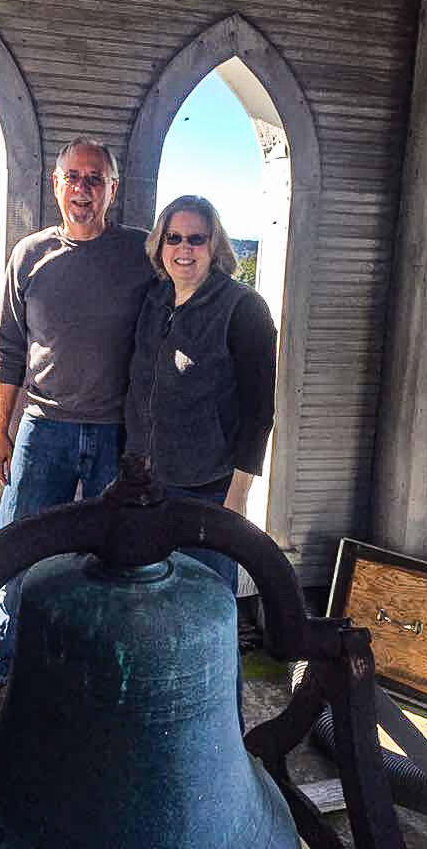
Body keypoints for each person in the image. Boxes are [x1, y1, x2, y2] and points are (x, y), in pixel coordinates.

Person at [0, 136, 154, 731]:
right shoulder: (29, 256)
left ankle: (98, 676)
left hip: (114, 437)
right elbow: (8, 349)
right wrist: (1, 432)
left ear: (113, 190)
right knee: (17, 554)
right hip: (42, 430)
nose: (83, 189)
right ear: (56, 184)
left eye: (95, 179)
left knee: (112, 561)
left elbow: (180, 310)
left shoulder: (141, 255)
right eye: (73, 177)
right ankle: (4, 673)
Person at [125, 194, 277, 728]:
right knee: (153, 614)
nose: (184, 249)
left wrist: (236, 499)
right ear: (159, 244)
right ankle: (164, 724)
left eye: (197, 238)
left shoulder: (243, 309)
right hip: (147, 488)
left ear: (216, 247)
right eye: (174, 238)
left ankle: (221, 734)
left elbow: (259, 413)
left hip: (208, 493)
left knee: (209, 619)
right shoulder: (155, 302)